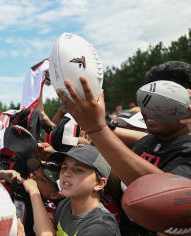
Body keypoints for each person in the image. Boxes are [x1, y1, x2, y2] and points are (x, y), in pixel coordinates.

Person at [57, 62, 191, 235]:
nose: (148, 108)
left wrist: (98, 130)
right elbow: (120, 185)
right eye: (145, 98)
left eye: (160, 99)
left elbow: (169, 197)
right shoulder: (147, 142)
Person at [22, 144, 120, 236]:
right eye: (64, 167)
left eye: (78, 170)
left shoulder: (101, 227)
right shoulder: (65, 205)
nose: (66, 173)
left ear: (99, 184)